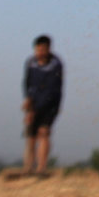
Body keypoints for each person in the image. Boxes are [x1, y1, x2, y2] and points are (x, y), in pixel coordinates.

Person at [22, 34, 63, 177]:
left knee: (44, 132)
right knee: (31, 135)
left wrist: (37, 108)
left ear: (48, 49)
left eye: (42, 50)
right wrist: (28, 102)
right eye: (37, 50)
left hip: (50, 104)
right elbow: (27, 84)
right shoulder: (30, 63)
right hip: (33, 104)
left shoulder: (55, 64)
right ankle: (28, 167)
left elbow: (53, 89)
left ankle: (41, 167)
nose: (39, 53)